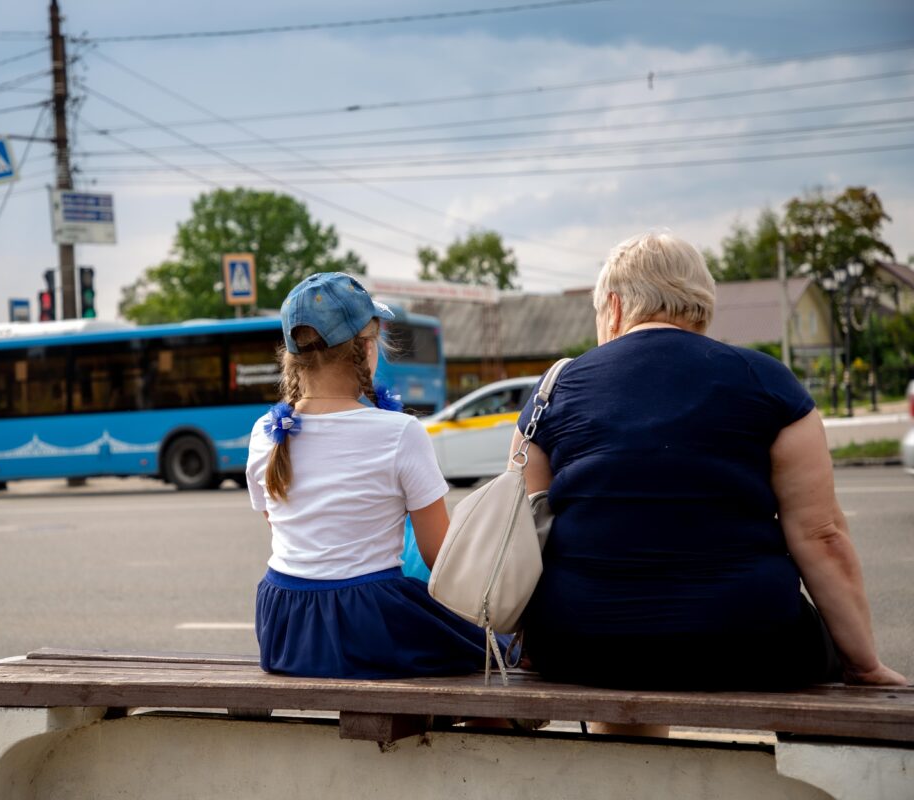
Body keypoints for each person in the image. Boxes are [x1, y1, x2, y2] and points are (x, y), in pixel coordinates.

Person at [511, 232, 906, 703]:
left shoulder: (554, 391)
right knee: (819, 663)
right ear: (700, 305)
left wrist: (533, 640)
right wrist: (864, 665)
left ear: (613, 307)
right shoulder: (767, 382)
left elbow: (523, 530)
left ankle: (637, 763)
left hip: (578, 645)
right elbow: (821, 535)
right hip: (753, 643)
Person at [246, 272, 494, 679]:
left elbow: (284, 528)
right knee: (490, 652)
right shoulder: (399, 432)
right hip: (366, 623)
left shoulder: (265, 432)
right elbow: (441, 559)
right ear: (366, 348)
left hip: (283, 625)